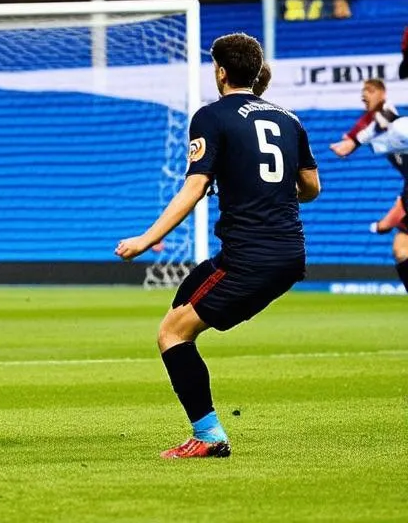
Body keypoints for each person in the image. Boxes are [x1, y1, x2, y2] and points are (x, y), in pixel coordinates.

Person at [115, 33, 320, 459]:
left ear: (221, 72)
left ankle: (208, 436)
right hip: (288, 252)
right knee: (188, 291)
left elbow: (193, 188)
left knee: (171, 333)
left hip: (251, 258)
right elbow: (311, 188)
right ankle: (195, 390)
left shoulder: (211, 116)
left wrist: (146, 239)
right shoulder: (289, 119)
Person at [328, 78, 408, 293]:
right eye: (363, 91)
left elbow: (385, 117)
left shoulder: (396, 122)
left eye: (370, 90)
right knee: (401, 249)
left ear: (383, 94)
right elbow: (370, 124)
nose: (365, 95)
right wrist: (352, 139)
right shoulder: (376, 130)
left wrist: (354, 141)